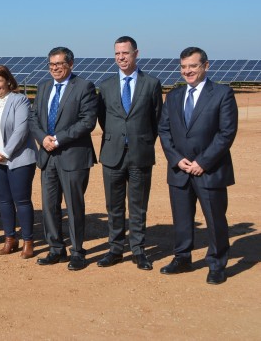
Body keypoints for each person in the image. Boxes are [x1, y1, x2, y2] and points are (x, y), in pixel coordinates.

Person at [158, 47, 238, 285]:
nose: (187, 71)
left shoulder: (222, 93)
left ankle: (216, 264)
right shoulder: (173, 96)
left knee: (215, 219)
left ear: (206, 66)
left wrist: (203, 162)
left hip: (209, 170)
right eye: (183, 67)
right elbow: (164, 130)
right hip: (179, 169)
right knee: (181, 218)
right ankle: (182, 258)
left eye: (192, 66)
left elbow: (226, 133)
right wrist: (175, 158)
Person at [96, 36, 162, 270]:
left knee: (138, 205)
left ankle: (138, 250)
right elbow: (103, 119)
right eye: (117, 54)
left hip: (140, 154)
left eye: (125, 53)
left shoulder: (152, 84)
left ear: (136, 53)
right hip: (112, 154)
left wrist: (139, 139)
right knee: (113, 206)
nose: (121, 57)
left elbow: (155, 120)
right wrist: (117, 137)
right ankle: (115, 249)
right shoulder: (105, 86)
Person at [30, 47, 98, 270]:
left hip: (72, 157)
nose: (55, 68)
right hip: (47, 156)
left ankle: (77, 252)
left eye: (59, 64)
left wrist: (57, 139)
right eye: (51, 64)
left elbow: (87, 121)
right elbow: (33, 119)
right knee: (50, 206)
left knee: (74, 205)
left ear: (70, 64)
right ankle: (55, 249)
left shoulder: (84, 87)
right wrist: (43, 139)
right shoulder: (43, 87)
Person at [0, 65, 39, 258]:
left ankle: (28, 241)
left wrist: (4, 153)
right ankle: (10, 239)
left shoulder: (19, 100)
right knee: (4, 202)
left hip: (18, 160)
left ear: (8, 81)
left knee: (21, 201)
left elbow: (21, 130)